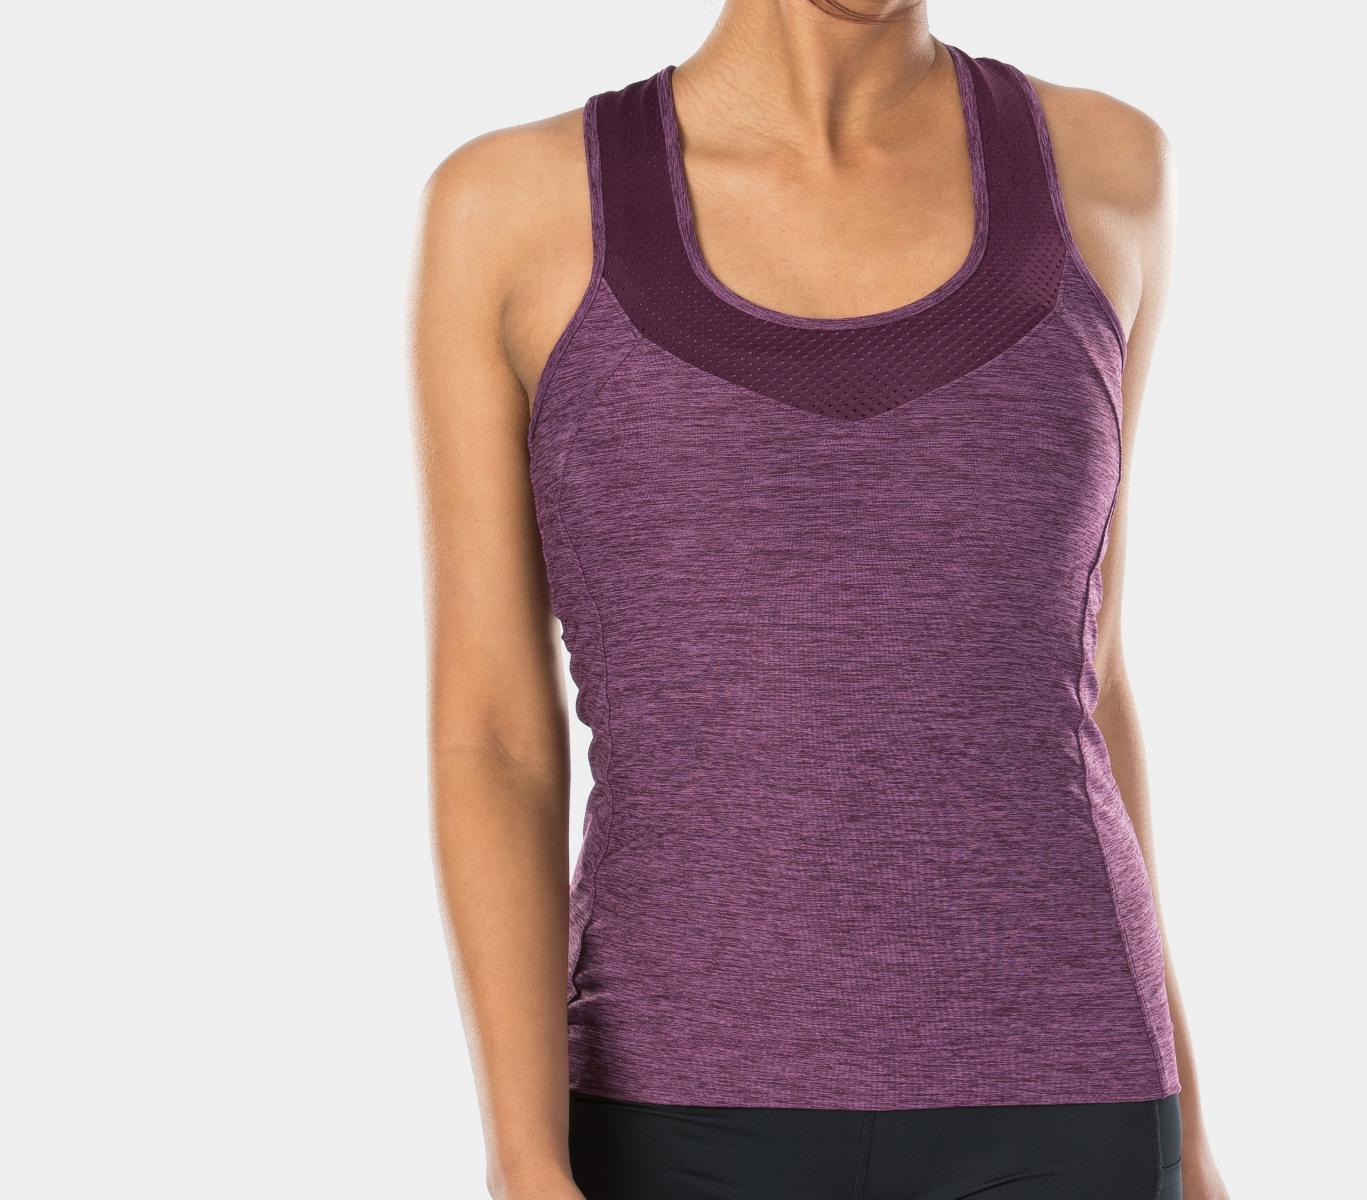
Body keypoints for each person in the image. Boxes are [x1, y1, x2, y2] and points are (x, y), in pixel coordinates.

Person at [412, 2, 1228, 1197]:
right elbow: (492, 736)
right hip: (673, 1114)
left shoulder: (1107, 169)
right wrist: (525, 1162)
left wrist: (1189, 1143)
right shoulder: (513, 207)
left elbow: (1082, 676)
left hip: (1074, 1104)